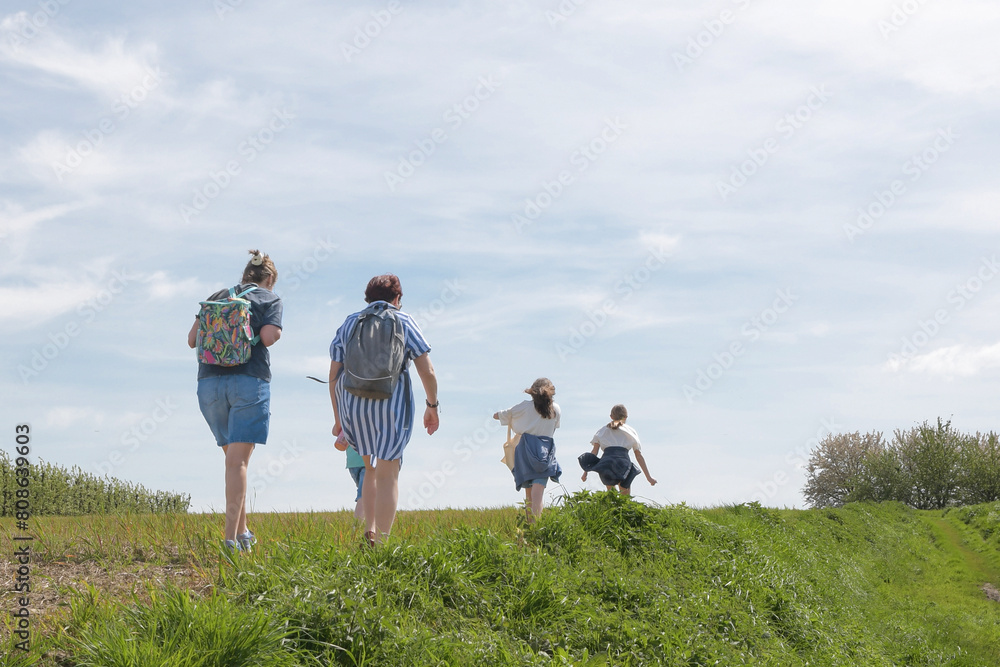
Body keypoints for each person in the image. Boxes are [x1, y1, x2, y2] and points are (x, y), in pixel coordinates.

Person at [328, 274, 439, 546]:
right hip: (391, 403)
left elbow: (333, 375)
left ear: (368, 297)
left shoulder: (350, 322)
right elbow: (427, 371)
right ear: (397, 298)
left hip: (353, 404)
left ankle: (370, 528)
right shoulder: (404, 321)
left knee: (370, 469)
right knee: (389, 473)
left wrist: (338, 418)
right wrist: (432, 405)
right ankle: (384, 543)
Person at [188, 250, 283, 552]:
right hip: (248, 381)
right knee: (239, 462)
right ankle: (231, 541)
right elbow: (268, 338)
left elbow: (192, 339)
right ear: (269, 279)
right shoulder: (270, 299)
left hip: (209, 385)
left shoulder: (215, 297)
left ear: (244, 275)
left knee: (232, 464)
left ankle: (244, 533)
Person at [493, 378, 561, 523]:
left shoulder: (524, 407)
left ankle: (531, 526)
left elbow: (498, 415)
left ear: (533, 393)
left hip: (525, 449)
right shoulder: (556, 408)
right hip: (545, 449)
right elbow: (553, 428)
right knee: (538, 493)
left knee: (529, 494)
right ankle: (536, 528)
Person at [579, 404, 656, 495]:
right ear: (626, 417)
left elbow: (594, 453)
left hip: (606, 463)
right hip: (623, 463)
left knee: (611, 496)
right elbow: (638, 456)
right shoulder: (631, 431)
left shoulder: (602, 431)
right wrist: (648, 477)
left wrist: (585, 472)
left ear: (611, 416)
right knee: (625, 498)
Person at [336, 431, 366, 520]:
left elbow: (335, 430)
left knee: (367, 493)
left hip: (353, 464)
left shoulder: (347, 417)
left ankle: (367, 526)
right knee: (364, 494)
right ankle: (356, 528)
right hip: (368, 461)